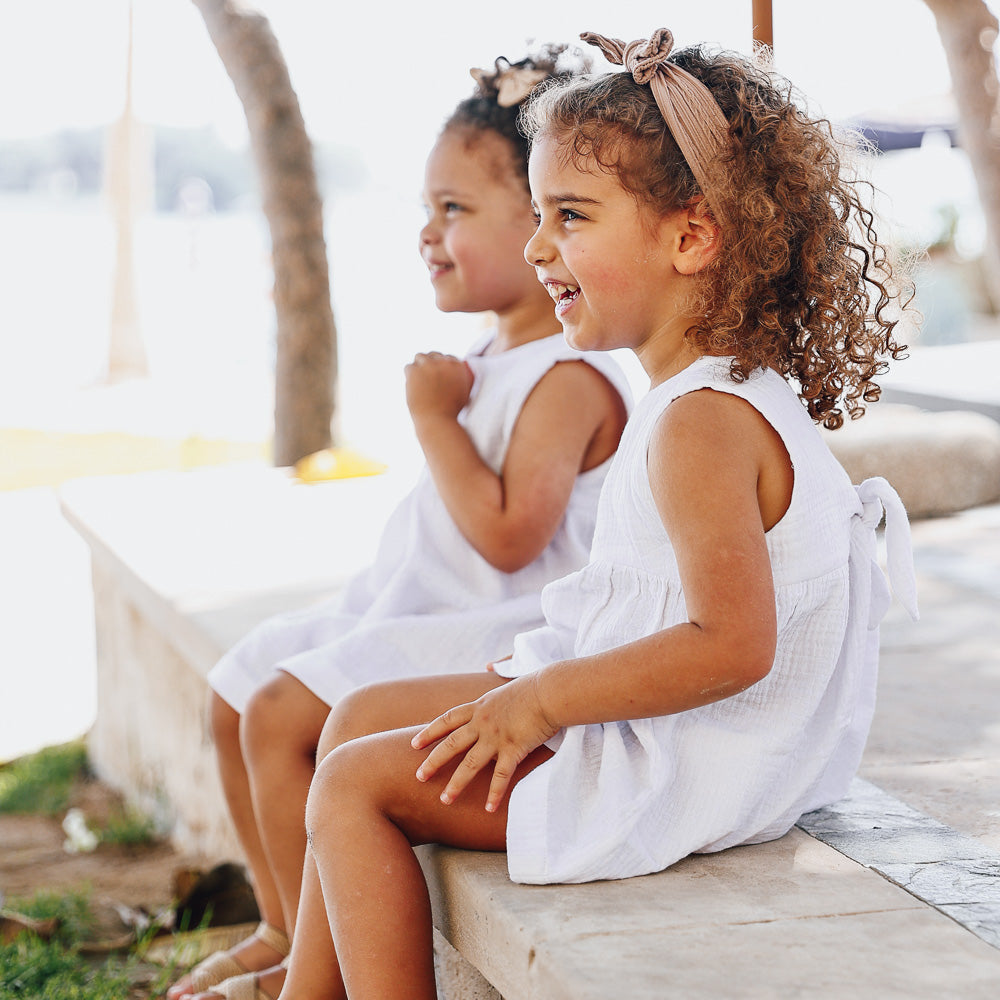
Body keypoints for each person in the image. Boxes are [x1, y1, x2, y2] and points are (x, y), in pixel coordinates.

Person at [275, 28, 920, 1000]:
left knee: (358, 780)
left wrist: (535, 702)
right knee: (361, 712)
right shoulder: (707, 391)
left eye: (569, 215)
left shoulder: (703, 422)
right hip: (692, 734)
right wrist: (526, 678)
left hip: (691, 761)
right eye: (536, 214)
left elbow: (731, 644)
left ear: (690, 235)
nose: (538, 247)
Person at [169, 46, 631, 1000]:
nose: (428, 233)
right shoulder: (492, 349)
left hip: (506, 626)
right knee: (235, 697)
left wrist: (431, 421)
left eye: (454, 210)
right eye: (427, 208)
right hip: (420, 604)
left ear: (542, 223)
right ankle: (281, 924)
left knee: (285, 713)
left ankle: (313, 965)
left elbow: (510, 536)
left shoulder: (569, 378)